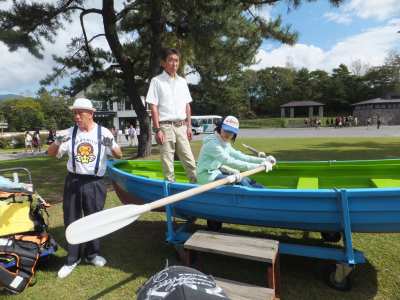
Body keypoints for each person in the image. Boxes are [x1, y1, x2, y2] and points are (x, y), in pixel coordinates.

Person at [48, 98, 122, 279]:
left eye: (80, 112)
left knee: (94, 219)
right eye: (75, 112)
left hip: (95, 182)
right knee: (71, 219)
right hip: (73, 181)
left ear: (91, 114)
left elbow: (119, 154)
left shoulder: (103, 132)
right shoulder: (68, 133)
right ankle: (73, 258)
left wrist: (110, 145)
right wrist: (57, 142)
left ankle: (92, 254)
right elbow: (51, 154)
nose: (77, 116)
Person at [146, 47, 196, 183]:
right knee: (168, 164)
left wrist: (189, 126)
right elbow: (153, 107)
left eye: (176, 60)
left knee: (190, 160)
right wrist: (157, 130)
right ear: (163, 63)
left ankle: (197, 188)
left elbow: (187, 105)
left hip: (181, 126)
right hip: (165, 127)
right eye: (170, 60)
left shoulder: (182, 82)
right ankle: (171, 195)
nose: (174, 64)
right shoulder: (156, 81)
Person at [196, 116, 275, 188]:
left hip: (216, 171)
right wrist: (258, 166)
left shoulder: (224, 142)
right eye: (226, 130)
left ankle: (264, 192)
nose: (228, 134)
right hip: (205, 176)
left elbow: (240, 156)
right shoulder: (212, 144)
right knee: (240, 181)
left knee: (246, 179)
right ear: (220, 128)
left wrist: (264, 160)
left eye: (231, 132)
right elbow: (228, 161)